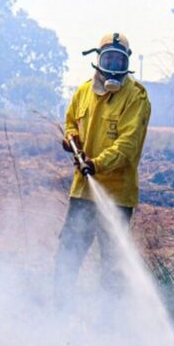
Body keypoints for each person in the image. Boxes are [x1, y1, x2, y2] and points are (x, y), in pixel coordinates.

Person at [53, 32, 152, 301]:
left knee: (111, 265)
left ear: (127, 64)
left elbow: (127, 146)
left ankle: (107, 325)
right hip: (83, 191)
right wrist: (71, 137)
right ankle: (56, 312)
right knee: (68, 255)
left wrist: (96, 165)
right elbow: (72, 120)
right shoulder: (84, 91)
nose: (113, 68)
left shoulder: (136, 98)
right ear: (97, 59)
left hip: (117, 196)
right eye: (108, 59)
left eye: (119, 62)